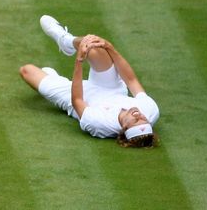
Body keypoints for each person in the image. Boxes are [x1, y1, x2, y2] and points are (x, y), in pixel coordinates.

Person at [20, 16, 160, 147]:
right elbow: (131, 80)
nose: (139, 114)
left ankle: (54, 79)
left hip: (82, 97)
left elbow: (77, 100)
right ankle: (66, 41)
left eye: (136, 120)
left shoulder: (98, 124)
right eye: (144, 119)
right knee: (93, 45)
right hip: (111, 87)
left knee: (27, 71)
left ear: (124, 128)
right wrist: (109, 47)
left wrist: (79, 60)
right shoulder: (150, 110)